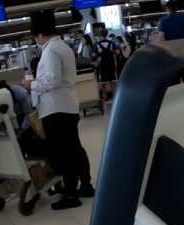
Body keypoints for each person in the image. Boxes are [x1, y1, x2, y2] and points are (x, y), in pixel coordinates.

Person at [25, 16, 93, 210]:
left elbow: (52, 80)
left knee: (63, 153)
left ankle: (71, 194)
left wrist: (32, 84)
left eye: (35, 37)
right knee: (74, 148)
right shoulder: (62, 46)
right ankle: (85, 186)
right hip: (65, 105)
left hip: (56, 108)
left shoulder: (51, 50)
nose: (36, 41)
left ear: (40, 34)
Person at [94, 29, 120, 101]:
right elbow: (118, 52)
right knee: (113, 81)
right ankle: (115, 97)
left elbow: (93, 54)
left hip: (102, 65)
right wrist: (112, 51)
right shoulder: (111, 43)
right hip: (111, 64)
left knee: (104, 82)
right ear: (107, 34)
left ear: (100, 35)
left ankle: (105, 97)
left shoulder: (97, 44)